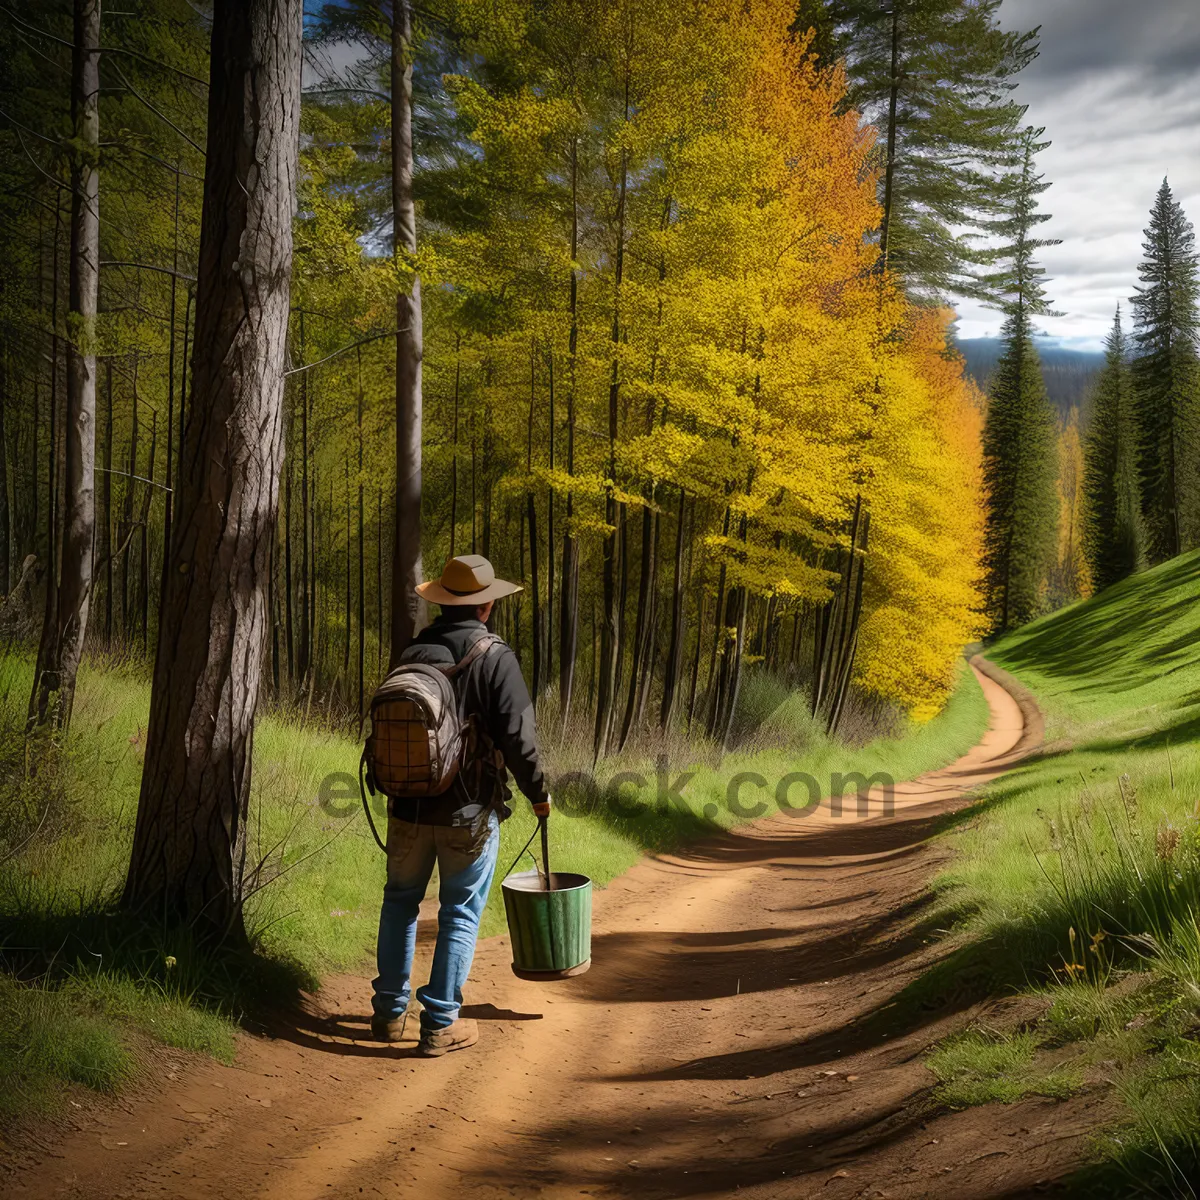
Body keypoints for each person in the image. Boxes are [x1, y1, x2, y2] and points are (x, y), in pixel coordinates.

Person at [371, 554, 551, 1056]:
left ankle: (388, 1015)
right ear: (487, 605)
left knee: (400, 902)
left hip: (405, 804)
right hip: (466, 812)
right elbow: (519, 739)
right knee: (460, 914)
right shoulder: (496, 657)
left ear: (442, 602)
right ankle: (440, 1025)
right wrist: (538, 794)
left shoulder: (411, 651)